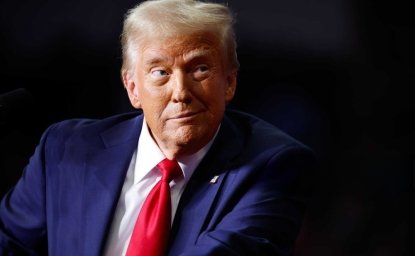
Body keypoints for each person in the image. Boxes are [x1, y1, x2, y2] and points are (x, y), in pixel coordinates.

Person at [0, 0, 315, 255]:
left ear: (229, 82)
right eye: (161, 72)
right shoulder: (65, 149)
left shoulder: (272, 165)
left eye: (200, 69)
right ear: (133, 88)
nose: (180, 92)